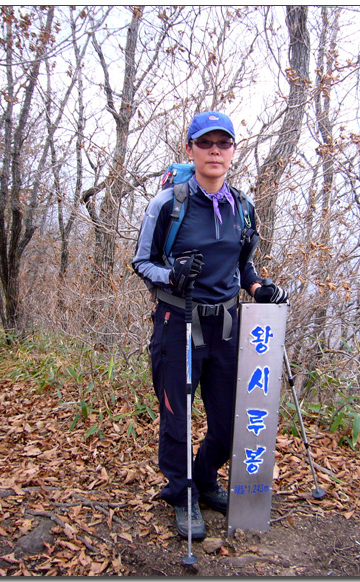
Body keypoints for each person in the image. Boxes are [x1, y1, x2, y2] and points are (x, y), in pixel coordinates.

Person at [132, 111, 288, 540]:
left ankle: (203, 480)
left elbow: (244, 265)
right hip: (176, 323)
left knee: (229, 422)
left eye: (223, 144)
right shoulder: (169, 203)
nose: (215, 151)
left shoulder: (243, 207)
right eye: (206, 143)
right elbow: (141, 262)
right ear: (191, 150)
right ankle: (181, 494)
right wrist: (172, 276)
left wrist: (258, 288)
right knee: (176, 418)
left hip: (227, 327)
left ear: (234, 152)